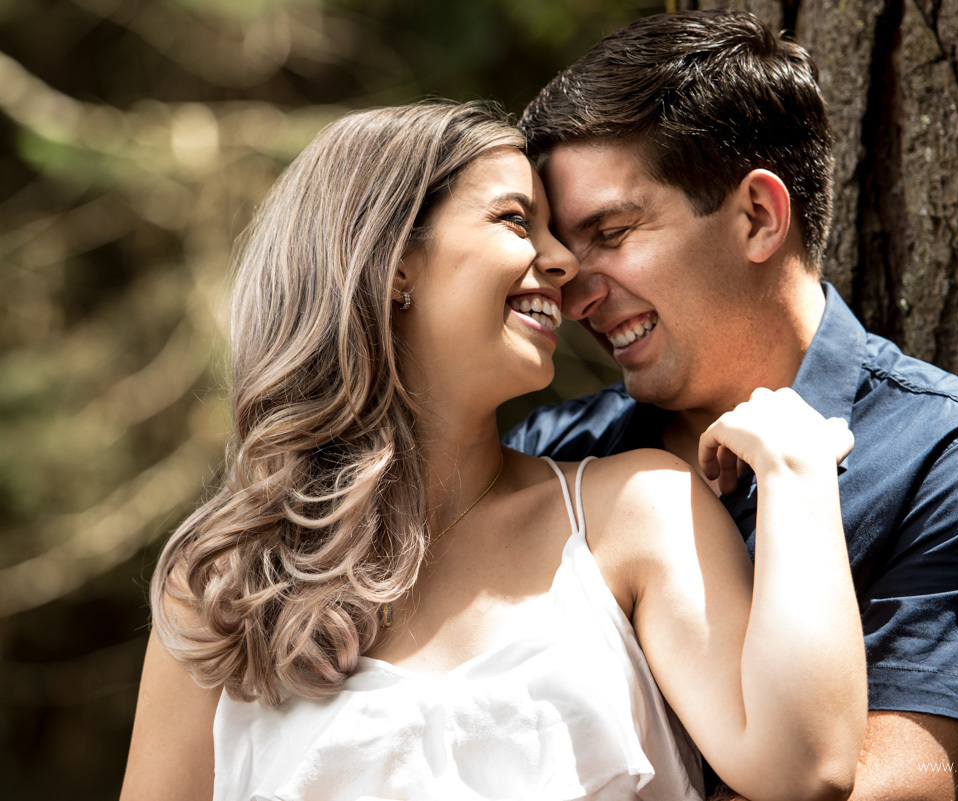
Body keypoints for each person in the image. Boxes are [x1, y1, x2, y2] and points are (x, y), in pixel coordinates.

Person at [120, 102, 868, 801]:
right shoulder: (223, 587)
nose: (564, 262)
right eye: (517, 220)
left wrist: (797, 470)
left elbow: (806, 767)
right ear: (392, 264)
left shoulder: (639, 511)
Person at [504, 10, 958, 801]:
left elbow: (859, 792)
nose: (575, 293)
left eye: (611, 232)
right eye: (567, 253)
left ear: (758, 216)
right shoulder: (554, 452)